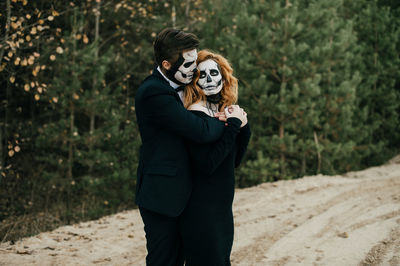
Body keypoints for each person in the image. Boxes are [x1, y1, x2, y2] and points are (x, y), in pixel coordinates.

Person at [134, 29, 245, 266]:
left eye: (195, 62)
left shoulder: (186, 85)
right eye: (188, 64)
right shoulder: (153, 92)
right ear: (166, 64)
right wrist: (225, 119)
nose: (194, 69)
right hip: (163, 195)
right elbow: (200, 130)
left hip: (191, 197)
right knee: (164, 261)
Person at [181, 50, 251, 265]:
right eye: (202, 75)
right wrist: (233, 127)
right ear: (194, 82)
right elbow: (207, 165)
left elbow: (234, 161)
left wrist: (243, 125)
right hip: (202, 210)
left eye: (214, 72)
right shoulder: (194, 114)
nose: (209, 79)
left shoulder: (220, 113)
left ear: (223, 76)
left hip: (221, 208)